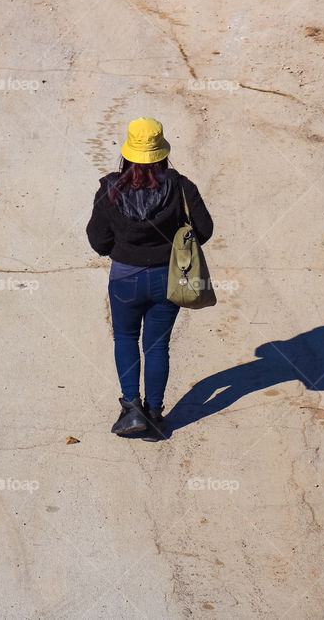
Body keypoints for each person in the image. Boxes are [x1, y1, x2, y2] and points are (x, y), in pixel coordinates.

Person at [86, 117, 213, 440]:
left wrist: (124, 245)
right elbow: (205, 229)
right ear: (161, 152)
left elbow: (98, 241)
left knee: (125, 339)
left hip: (125, 280)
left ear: (128, 153)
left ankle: (131, 409)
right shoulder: (181, 186)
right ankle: (155, 414)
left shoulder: (109, 189)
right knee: (157, 346)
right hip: (169, 280)